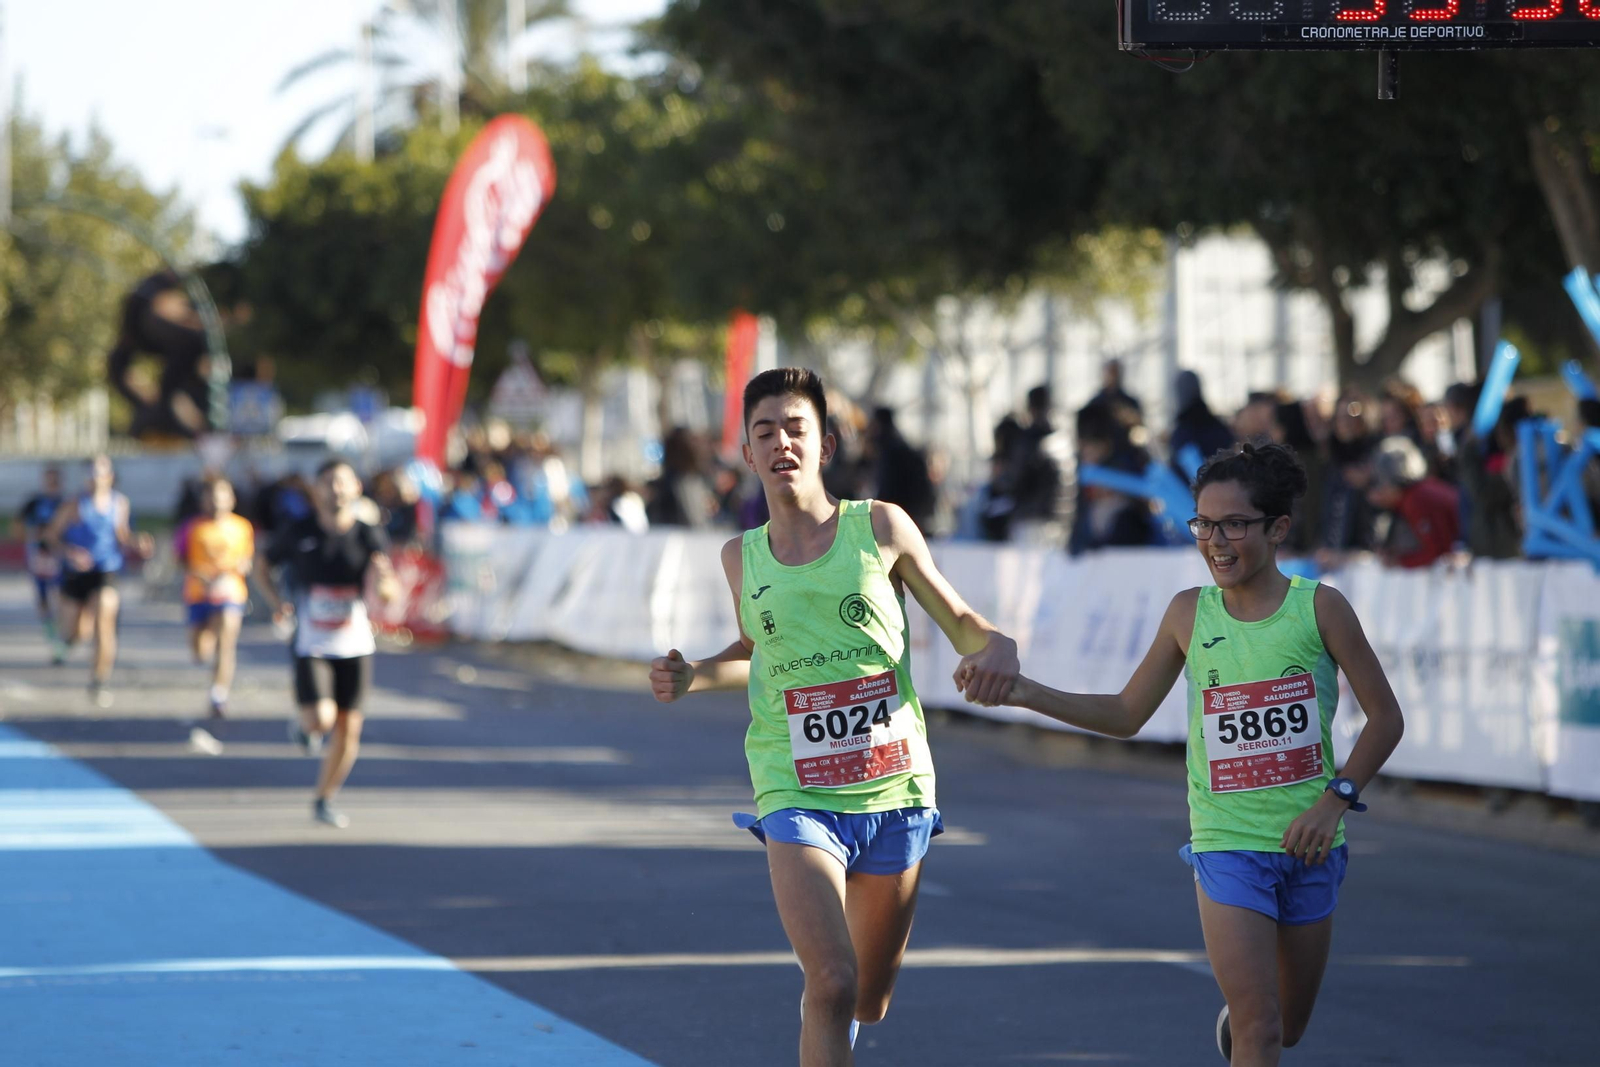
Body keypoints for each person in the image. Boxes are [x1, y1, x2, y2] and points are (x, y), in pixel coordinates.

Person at [978, 441, 1405, 1067]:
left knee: (1285, 1027)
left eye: (1234, 524)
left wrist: (1334, 800)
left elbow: (1386, 718)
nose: (1216, 541)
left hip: (1311, 845)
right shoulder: (1188, 613)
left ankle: (1243, 1020)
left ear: (1278, 527)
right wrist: (1026, 692)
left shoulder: (1319, 609)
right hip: (1227, 843)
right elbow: (1126, 714)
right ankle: (1248, 1020)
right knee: (1262, 1029)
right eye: (1203, 524)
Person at [649, 368, 1018, 1066]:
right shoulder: (741, 556)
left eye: (796, 428)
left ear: (825, 444)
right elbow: (759, 650)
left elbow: (962, 619)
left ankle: (833, 1018)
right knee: (832, 977)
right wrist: (695, 673)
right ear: (748, 451)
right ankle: (825, 1008)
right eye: (765, 432)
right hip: (796, 788)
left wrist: (995, 645)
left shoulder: (880, 527)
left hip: (894, 788)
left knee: (866, 998)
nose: (781, 442)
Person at [256, 459, 400, 829]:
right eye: (328, 482)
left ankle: (324, 797)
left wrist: (385, 585)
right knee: (321, 719)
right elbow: (261, 566)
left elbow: (388, 587)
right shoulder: (298, 530)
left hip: (354, 640)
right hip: (312, 640)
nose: (335, 489)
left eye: (342, 482)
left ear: (355, 489)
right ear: (316, 490)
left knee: (349, 727)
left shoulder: (369, 534)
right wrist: (277, 603)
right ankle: (304, 726)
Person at [43, 455, 155, 705]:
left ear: (110, 476)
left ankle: (99, 680)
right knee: (76, 632)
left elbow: (122, 535)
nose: (95, 477)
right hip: (76, 573)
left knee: (105, 616)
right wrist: (70, 552)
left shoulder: (119, 503)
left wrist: (137, 543)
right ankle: (69, 640)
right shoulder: (73, 505)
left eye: (100, 471)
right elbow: (51, 536)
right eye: (91, 472)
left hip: (106, 569)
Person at [180, 475, 254, 718]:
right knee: (201, 652)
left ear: (231, 499)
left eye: (222, 495)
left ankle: (219, 694)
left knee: (227, 640)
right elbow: (180, 560)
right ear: (203, 501)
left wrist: (240, 568)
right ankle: (206, 650)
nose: (216, 501)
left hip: (230, 593)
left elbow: (247, 559)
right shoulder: (192, 528)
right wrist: (200, 575)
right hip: (199, 594)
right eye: (211, 496)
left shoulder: (243, 527)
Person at [1366, 436, 1461, 568]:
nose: (1376, 495)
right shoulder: (1419, 490)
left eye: (1381, 485)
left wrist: (1399, 562)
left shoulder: (1415, 500)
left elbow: (1436, 551)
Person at [14, 466, 66, 660]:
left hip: (59, 557)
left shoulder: (65, 503)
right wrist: (31, 536)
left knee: (62, 597)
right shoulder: (34, 502)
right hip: (39, 558)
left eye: (55, 480)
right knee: (43, 599)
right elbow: (17, 525)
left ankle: (62, 637)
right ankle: (52, 634)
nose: (52, 484)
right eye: (49, 480)